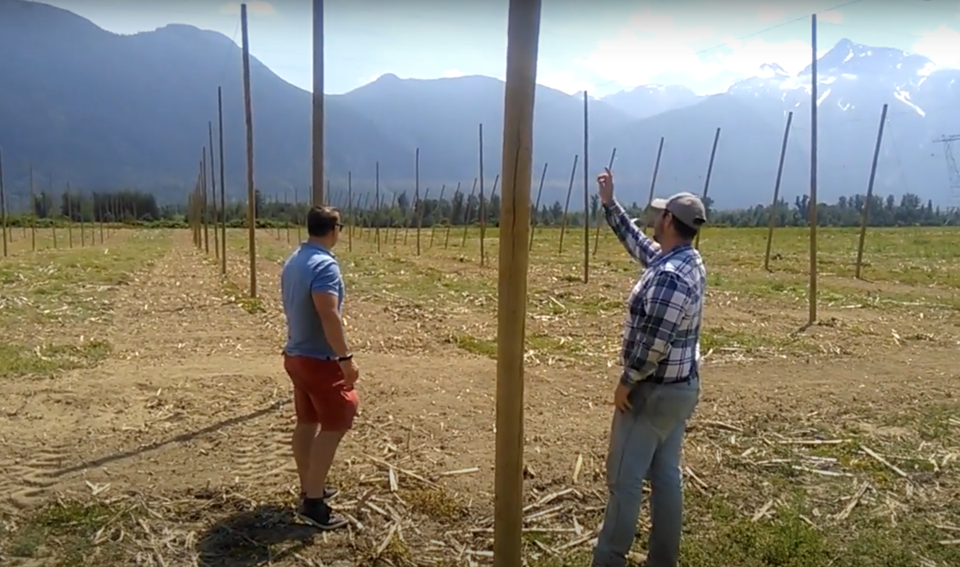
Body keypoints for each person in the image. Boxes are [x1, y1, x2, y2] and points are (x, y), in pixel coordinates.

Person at [592, 168, 707, 567]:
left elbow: (654, 344)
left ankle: (608, 560)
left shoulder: (670, 277)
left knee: (624, 480)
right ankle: (663, 560)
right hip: (680, 389)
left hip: (653, 391)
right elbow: (638, 244)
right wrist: (610, 204)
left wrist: (627, 381)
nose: (654, 220)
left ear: (670, 222)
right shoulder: (684, 261)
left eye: (659, 215)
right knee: (665, 476)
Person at [280, 205, 359, 530]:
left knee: (307, 420)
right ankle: (314, 502)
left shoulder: (295, 260)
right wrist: (345, 358)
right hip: (318, 360)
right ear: (334, 229)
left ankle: (309, 483)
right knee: (340, 417)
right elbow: (329, 314)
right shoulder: (324, 266)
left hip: (295, 355)